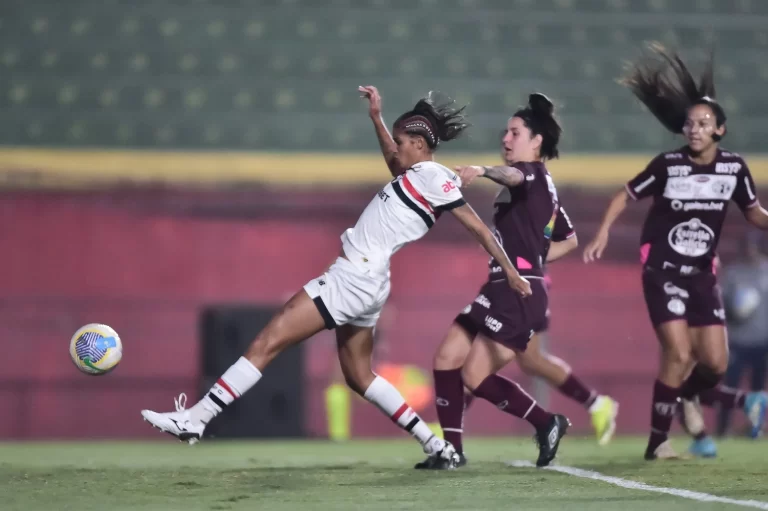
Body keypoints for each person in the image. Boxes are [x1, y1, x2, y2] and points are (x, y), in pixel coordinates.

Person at [141, 87, 532, 469]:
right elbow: (394, 162)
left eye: (400, 140)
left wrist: (511, 273)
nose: (395, 148)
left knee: (268, 340)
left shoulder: (432, 176)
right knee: (360, 377)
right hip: (370, 282)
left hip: (353, 277)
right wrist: (377, 119)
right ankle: (435, 444)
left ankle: (197, 418)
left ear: (417, 141)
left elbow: (479, 229)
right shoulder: (415, 174)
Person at [582, 43, 768, 460]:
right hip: (662, 270)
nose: (695, 129)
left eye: (703, 123)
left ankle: (687, 399)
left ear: (720, 130)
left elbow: (755, 213)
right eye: (690, 123)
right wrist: (604, 234)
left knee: (715, 364)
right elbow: (623, 195)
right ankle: (657, 441)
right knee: (679, 353)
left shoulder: (734, 169)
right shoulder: (668, 165)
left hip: (702, 273)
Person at [413, 107, 619, 470]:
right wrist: (531, 258)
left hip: (517, 295)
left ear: (537, 142)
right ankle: (452, 451)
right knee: (446, 357)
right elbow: (569, 240)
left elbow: (512, 175)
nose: (505, 139)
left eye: (515, 133)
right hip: (498, 286)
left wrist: (482, 170)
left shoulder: (531, 174)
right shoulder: (544, 187)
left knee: (474, 376)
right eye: (505, 133)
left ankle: (545, 421)